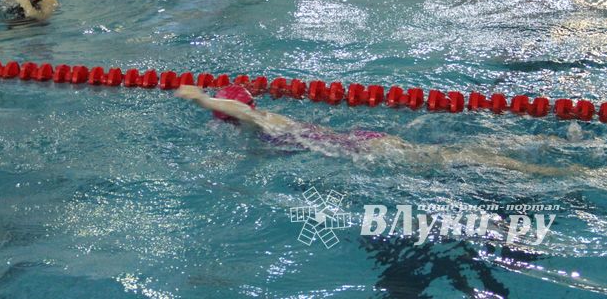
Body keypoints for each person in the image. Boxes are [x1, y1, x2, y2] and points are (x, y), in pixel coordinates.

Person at [176, 85, 583, 176]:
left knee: (461, 158)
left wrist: (201, 99)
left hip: (368, 150)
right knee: (458, 153)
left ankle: (554, 170)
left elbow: (242, 112)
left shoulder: (265, 121)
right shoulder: (260, 128)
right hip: (361, 147)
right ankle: (540, 142)